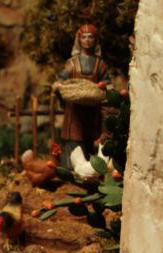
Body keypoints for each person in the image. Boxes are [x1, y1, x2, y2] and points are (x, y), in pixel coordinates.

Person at [52, 24, 111, 169]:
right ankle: (71, 170)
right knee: (74, 138)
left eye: (91, 37)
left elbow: (107, 83)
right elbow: (63, 79)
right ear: (79, 39)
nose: (87, 40)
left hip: (93, 110)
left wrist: (106, 88)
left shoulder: (100, 64)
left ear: (96, 40)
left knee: (92, 139)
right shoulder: (72, 63)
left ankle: (93, 169)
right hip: (74, 110)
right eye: (84, 37)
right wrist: (58, 85)